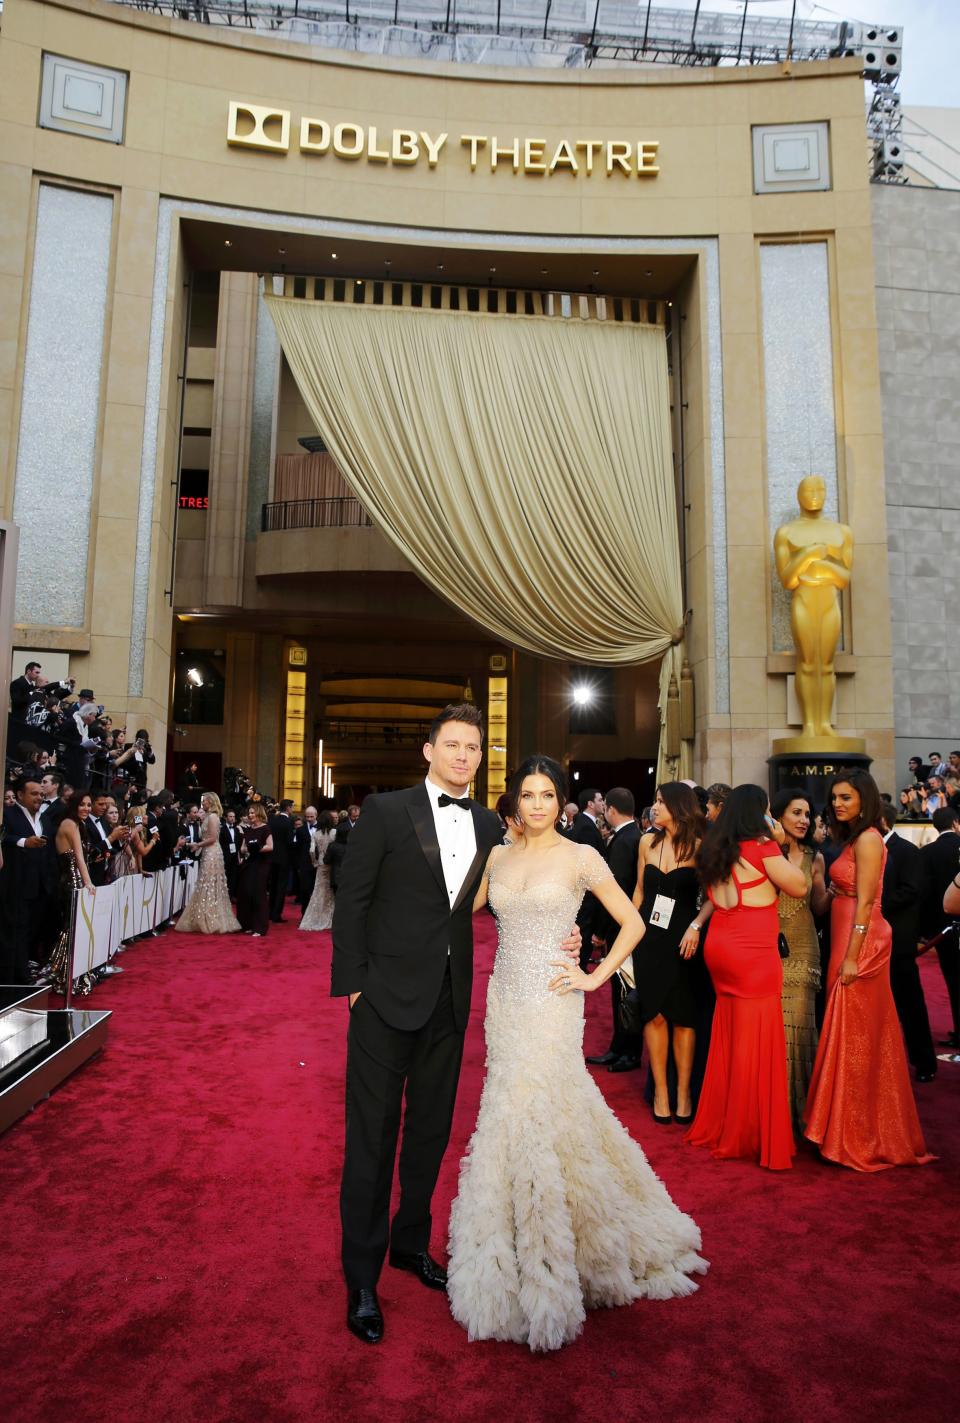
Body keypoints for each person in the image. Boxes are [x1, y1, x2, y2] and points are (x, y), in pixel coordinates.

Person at [332, 703, 582, 1347]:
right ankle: (361, 1278)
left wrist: (569, 936)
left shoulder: (488, 828)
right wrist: (353, 988)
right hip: (383, 1001)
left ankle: (410, 1246)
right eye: (452, 745)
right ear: (429, 751)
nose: (463, 756)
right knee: (372, 1140)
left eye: (473, 747)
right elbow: (351, 901)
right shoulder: (386, 812)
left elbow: (528, 890)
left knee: (430, 1136)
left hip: (448, 1002)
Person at [447, 755, 707, 1352]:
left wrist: (595, 976)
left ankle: (562, 1247)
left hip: (554, 998)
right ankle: (507, 1237)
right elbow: (464, 907)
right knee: (508, 1108)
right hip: (506, 1001)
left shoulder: (582, 856)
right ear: (514, 800)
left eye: (547, 795)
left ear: (560, 800)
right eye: (528, 795)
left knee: (545, 1104)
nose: (537, 804)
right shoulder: (498, 856)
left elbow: (634, 922)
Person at [803, 771, 934, 1171]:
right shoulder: (848, 840)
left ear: (865, 799)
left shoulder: (869, 839)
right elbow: (834, 900)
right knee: (848, 1032)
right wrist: (814, 881)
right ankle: (840, 1126)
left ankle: (856, 1131)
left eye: (846, 797)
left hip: (864, 942)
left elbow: (866, 905)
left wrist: (853, 955)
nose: (838, 804)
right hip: (845, 936)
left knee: (858, 1037)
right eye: (835, 798)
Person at [687, 784, 807, 1171]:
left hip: (720, 943)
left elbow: (710, 895)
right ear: (760, 811)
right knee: (759, 1040)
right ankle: (749, 1132)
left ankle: (724, 1123)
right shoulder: (762, 847)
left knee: (729, 1035)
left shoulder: (714, 848)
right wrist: (779, 837)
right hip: (752, 951)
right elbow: (799, 886)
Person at [629, 783, 705, 1122]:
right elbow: (639, 893)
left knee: (684, 1018)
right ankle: (661, 1091)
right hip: (650, 939)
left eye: (661, 801)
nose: (654, 807)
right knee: (654, 1015)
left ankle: (683, 1092)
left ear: (679, 805)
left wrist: (696, 926)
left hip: (686, 941)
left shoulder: (702, 848)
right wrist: (627, 940)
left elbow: (717, 897)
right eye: (655, 800)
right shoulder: (646, 842)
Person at [770, 788, 828, 1131]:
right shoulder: (763, 852)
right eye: (797, 812)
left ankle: (801, 1114)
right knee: (774, 1030)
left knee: (800, 1028)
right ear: (778, 816)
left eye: (808, 814)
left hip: (804, 947)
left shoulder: (815, 858)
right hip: (767, 947)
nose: (804, 820)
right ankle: (774, 1109)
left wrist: (839, 891)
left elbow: (818, 908)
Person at [878, 802, 937, 1081]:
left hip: (898, 942)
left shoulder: (906, 851)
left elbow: (912, 891)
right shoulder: (865, 850)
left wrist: (873, 904)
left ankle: (924, 1062)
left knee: (910, 1004)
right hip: (871, 941)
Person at [585, 786, 642, 1072]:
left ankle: (626, 1052)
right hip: (628, 924)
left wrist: (601, 932)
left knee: (623, 991)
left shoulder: (623, 841)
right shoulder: (634, 837)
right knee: (622, 991)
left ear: (610, 809)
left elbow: (615, 890)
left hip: (622, 927)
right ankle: (620, 1049)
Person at [0, 777, 54, 983]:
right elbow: (4, 837)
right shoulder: (8, 815)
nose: (39, 797)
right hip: (15, 884)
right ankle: (11, 978)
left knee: (30, 932)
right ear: (20, 795)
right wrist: (24, 842)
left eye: (41, 794)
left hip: (39, 886)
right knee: (13, 932)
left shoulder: (44, 818)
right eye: (34, 794)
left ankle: (23, 973)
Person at [44, 791, 96, 991]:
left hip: (77, 881)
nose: (86, 808)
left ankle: (71, 971)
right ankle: (63, 973)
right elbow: (79, 858)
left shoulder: (79, 825)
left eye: (89, 805)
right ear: (74, 805)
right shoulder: (69, 824)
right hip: (71, 883)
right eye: (82, 804)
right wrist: (89, 883)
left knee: (75, 928)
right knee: (71, 928)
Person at [918, 806, 960, 1049]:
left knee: (953, 982)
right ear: (955, 822)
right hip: (947, 928)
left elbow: (923, 895)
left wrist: (924, 931)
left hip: (942, 931)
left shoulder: (928, 853)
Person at [175, 792, 240, 935]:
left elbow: (212, 838)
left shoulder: (213, 817)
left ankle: (211, 918)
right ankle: (204, 917)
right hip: (207, 852)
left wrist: (197, 844)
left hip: (212, 853)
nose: (202, 803)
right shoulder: (208, 816)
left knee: (210, 884)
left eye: (204, 801)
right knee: (205, 883)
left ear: (211, 802)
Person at [567, 788, 605, 969]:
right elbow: (588, 867)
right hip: (586, 896)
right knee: (581, 943)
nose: (603, 803)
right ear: (590, 803)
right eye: (600, 799)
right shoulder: (586, 827)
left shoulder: (584, 824)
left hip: (584, 896)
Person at [235, 804, 272, 936]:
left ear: (259, 814)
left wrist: (258, 848)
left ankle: (259, 927)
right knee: (246, 893)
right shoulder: (249, 829)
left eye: (252, 813)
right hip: (249, 864)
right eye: (249, 813)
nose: (250, 815)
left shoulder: (265, 828)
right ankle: (247, 925)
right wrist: (245, 849)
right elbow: (243, 847)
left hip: (261, 864)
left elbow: (270, 846)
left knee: (258, 894)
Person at [300, 810, 335, 931]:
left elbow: (311, 850)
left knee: (318, 891)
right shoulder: (334, 833)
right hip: (332, 865)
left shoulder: (316, 834)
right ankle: (330, 917)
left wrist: (314, 862)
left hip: (321, 864)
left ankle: (315, 917)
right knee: (330, 891)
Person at [267, 799, 294, 922]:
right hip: (284, 858)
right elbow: (289, 841)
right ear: (288, 808)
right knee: (281, 887)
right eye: (291, 807)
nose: (292, 810)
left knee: (273, 885)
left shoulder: (272, 820)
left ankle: (269, 912)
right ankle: (276, 915)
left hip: (272, 857)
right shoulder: (288, 822)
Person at [220, 808, 244, 898]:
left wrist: (239, 856)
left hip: (234, 856)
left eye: (233, 817)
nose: (232, 818)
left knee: (233, 877)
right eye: (230, 816)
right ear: (226, 818)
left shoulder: (237, 829)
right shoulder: (222, 829)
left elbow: (238, 844)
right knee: (225, 876)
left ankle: (231, 895)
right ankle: (223, 896)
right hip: (225, 856)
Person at [324, 820, 352, 893]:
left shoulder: (332, 846)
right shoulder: (353, 846)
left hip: (336, 877)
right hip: (350, 877)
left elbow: (326, 861)